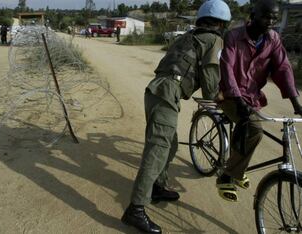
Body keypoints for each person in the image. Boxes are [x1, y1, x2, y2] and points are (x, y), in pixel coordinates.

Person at [121, 1, 231, 233]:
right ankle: (136, 209)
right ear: (221, 23)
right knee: (158, 149)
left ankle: (158, 186)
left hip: (156, 90)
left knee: (169, 146)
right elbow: (211, 78)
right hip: (168, 92)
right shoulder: (214, 40)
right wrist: (219, 96)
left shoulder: (189, 36)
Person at [216, 0, 302, 202]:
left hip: (252, 97)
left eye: (274, 17)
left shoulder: (273, 39)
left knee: (251, 128)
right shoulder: (234, 36)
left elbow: (283, 69)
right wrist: (237, 99)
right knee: (254, 129)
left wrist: (296, 104)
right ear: (253, 15)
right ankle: (227, 176)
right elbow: (227, 70)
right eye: (266, 16)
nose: (270, 21)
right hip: (229, 95)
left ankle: (237, 167)